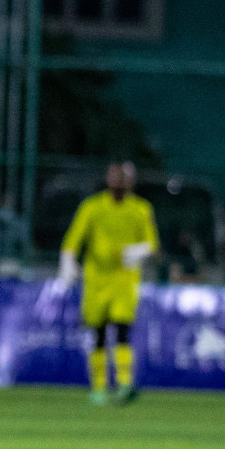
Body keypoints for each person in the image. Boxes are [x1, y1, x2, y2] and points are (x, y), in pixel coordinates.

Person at [59, 162, 159, 406]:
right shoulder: (92, 207)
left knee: (123, 329)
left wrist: (135, 252)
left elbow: (152, 245)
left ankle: (125, 383)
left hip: (124, 280)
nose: (119, 181)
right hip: (96, 280)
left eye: (123, 177)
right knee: (99, 333)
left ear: (131, 181)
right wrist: (68, 264)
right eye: (115, 176)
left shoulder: (140, 209)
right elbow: (73, 240)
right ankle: (99, 388)